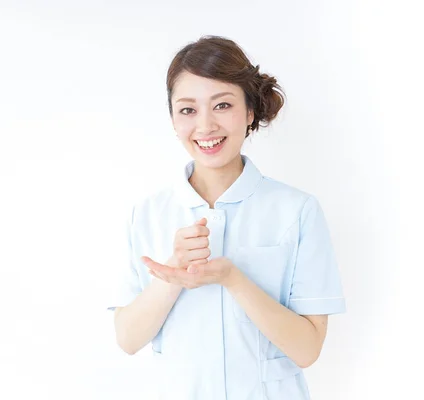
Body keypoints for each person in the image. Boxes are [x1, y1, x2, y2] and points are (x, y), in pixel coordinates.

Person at [107, 35, 346, 400]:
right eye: (188, 109)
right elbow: (127, 339)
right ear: (173, 118)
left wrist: (233, 278)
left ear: (250, 112)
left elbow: (307, 349)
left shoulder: (297, 210)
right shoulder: (148, 214)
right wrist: (174, 272)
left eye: (222, 105)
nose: (205, 126)